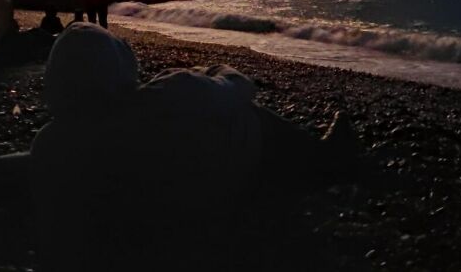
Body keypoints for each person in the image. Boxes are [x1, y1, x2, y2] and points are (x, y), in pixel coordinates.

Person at [26, 24, 358, 269]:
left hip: (158, 226)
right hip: (228, 182)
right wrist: (207, 71)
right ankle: (329, 157)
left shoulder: (52, 143)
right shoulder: (169, 94)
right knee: (248, 115)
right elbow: (241, 86)